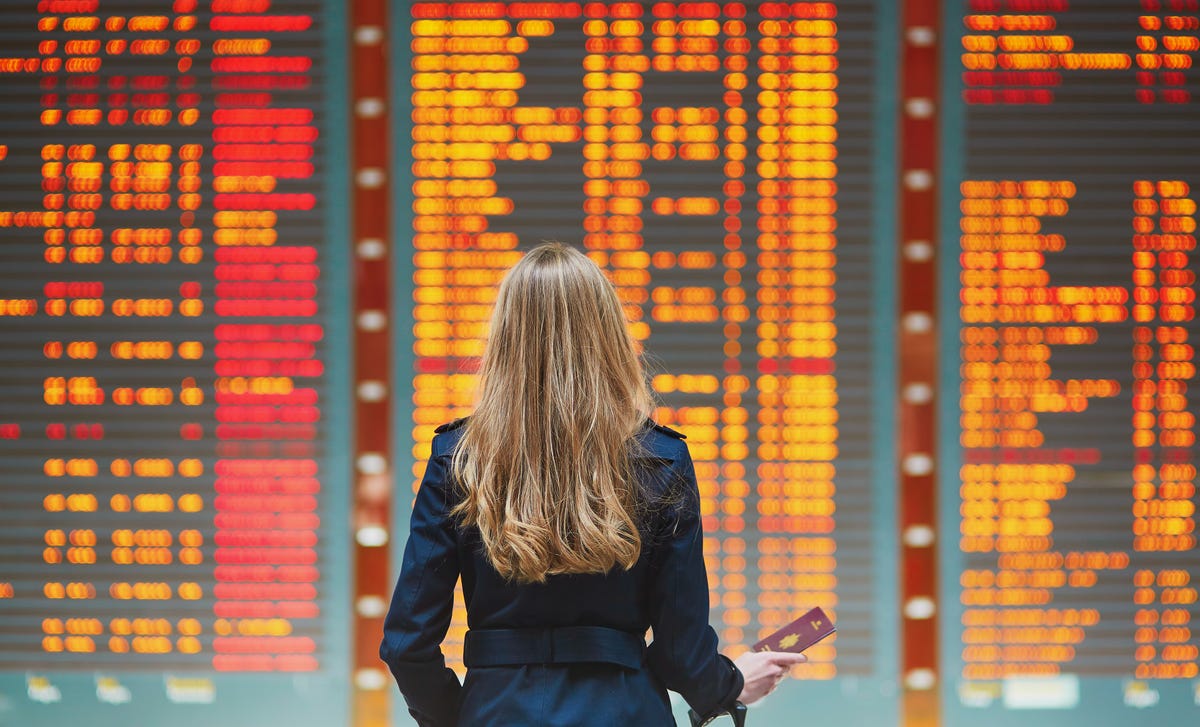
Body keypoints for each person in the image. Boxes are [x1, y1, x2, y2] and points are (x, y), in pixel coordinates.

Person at [380, 242, 805, 726]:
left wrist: (463, 716)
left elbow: (407, 645)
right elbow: (679, 649)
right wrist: (730, 684)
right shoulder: (661, 459)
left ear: (503, 338)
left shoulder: (458, 458)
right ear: (607, 333)